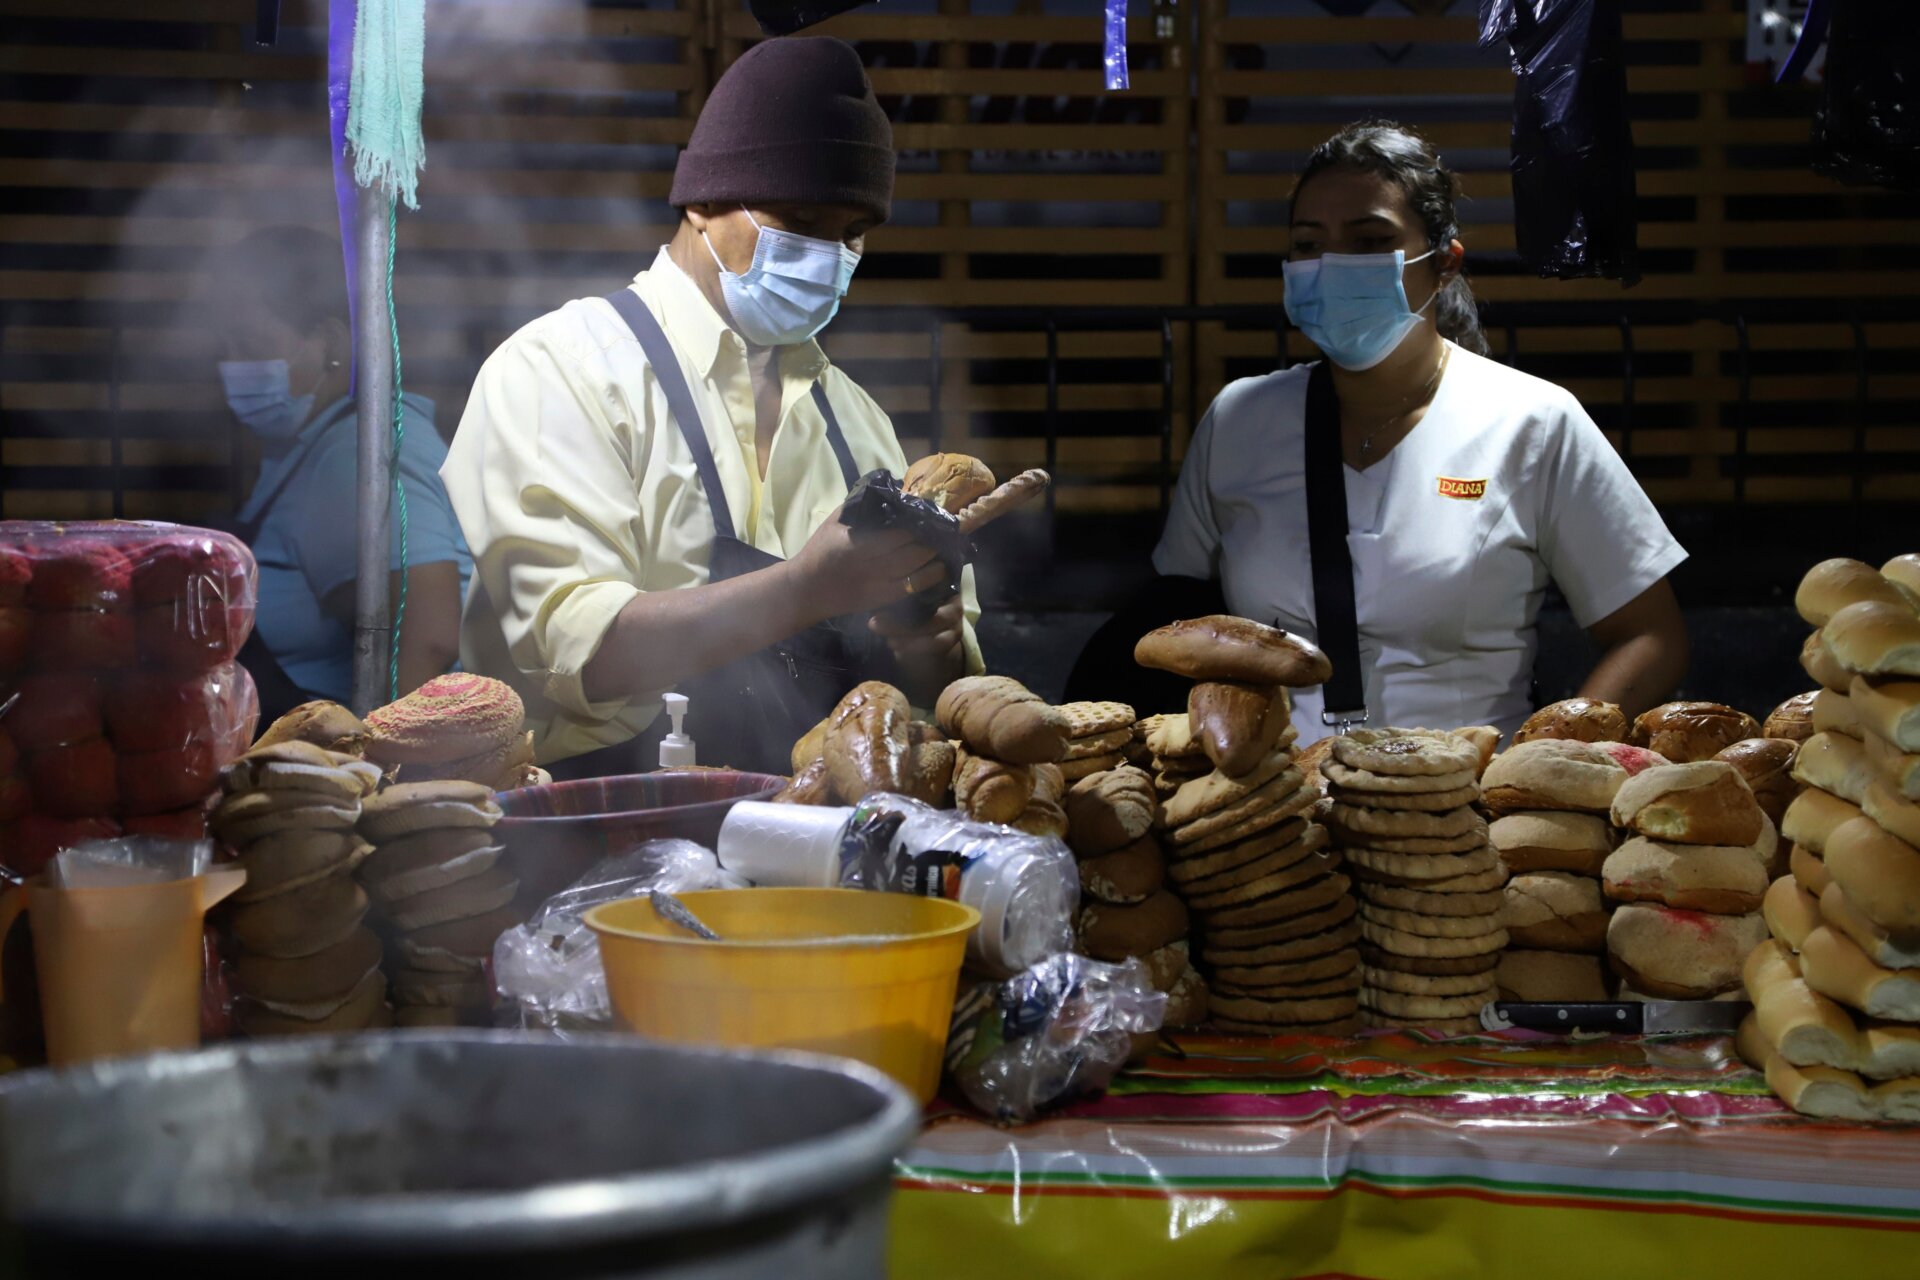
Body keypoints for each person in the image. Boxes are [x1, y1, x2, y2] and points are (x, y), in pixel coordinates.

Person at [442, 36, 982, 776]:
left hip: (815, 839)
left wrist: (932, 650)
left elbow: (936, 701)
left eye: (854, 234)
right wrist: (806, 588)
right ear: (703, 200)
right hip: (592, 829)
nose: (831, 256)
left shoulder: (858, 425)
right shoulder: (560, 372)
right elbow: (576, 654)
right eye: (801, 220)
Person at [1153, 122, 1688, 743]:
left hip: (1467, 806)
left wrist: (1535, 769)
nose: (1333, 268)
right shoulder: (1238, 421)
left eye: (1370, 240)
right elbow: (1175, 626)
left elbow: (1653, 637)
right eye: (1308, 244)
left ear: (1443, 265)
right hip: (1280, 804)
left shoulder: (1534, 422)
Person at [217, 227, 471, 720]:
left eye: (251, 346)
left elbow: (430, 633)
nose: (232, 367)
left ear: (331, 342)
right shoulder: (308, 449)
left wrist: (380, 773)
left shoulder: (352, 456)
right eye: (225, 348)